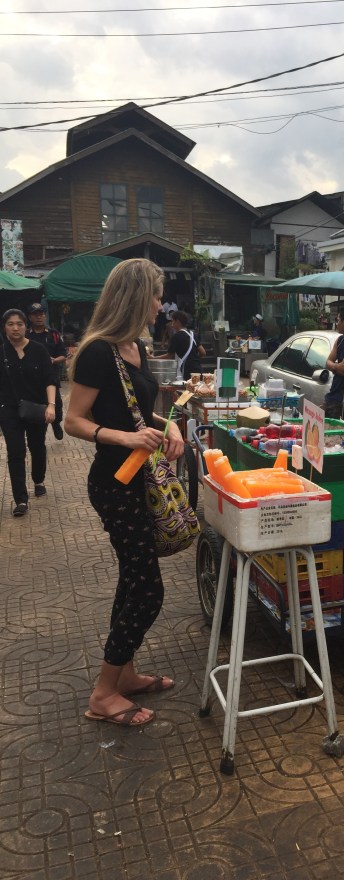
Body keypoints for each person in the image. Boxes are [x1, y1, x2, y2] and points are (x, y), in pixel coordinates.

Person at [64, 258, 185, 727]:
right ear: (136, 297)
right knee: (147, 589)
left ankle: (126, 674)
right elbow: (75, 421)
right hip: (114, 485)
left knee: (133, 580)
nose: (160, 305)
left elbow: (136, 410)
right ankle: (102, 694)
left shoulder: (137, 347)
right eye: (156, 296)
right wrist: (126, 438)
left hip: (141, 481)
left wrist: (168, 425)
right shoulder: (97, 351)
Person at [0, 308, 57, 516]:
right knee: (16, 451)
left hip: (36, 408)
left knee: (37, 447)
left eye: (19, 324)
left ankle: (38, 480)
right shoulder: (2, 352)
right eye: (10, 324)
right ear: (4, 327)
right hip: (9, 409)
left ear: (26, 326)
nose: (15, 328)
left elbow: (50, 379)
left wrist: (51, 405)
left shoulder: (39, 349)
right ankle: (21, 500)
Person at [26, 302, 68, 440]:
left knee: (57, 404)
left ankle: (56, 423)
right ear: (30, 317)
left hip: (51, 376)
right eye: (35, 315)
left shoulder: (54, 334)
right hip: (32, 378)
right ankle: (39, 434)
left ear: (45, 316)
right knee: (36, 405)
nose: (39, 317)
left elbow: (63, 354)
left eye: (41, 314)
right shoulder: (25, 335)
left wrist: (54, 360)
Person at [153, 310, 206, 380]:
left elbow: (169, 356)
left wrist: (153, 358)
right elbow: (203, 352)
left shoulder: (176, 336)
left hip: (187, 371)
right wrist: (193, 357)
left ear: (177, 321)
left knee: (188, 387)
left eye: (172, 321)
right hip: (198, 369)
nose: (172, 323)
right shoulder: (193, 334)